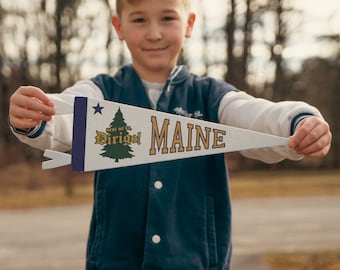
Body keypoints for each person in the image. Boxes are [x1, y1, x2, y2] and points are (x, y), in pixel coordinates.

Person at [8, 0, 332, 269]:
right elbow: (63, 118)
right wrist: (33, 116)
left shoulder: (209, 96)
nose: (154, 33)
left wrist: (299, 121)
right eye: (139, 19)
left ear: (189, 24)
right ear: (119, 27)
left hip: (197, 261)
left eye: (167, 18)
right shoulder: (102, 93)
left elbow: (255, 116)